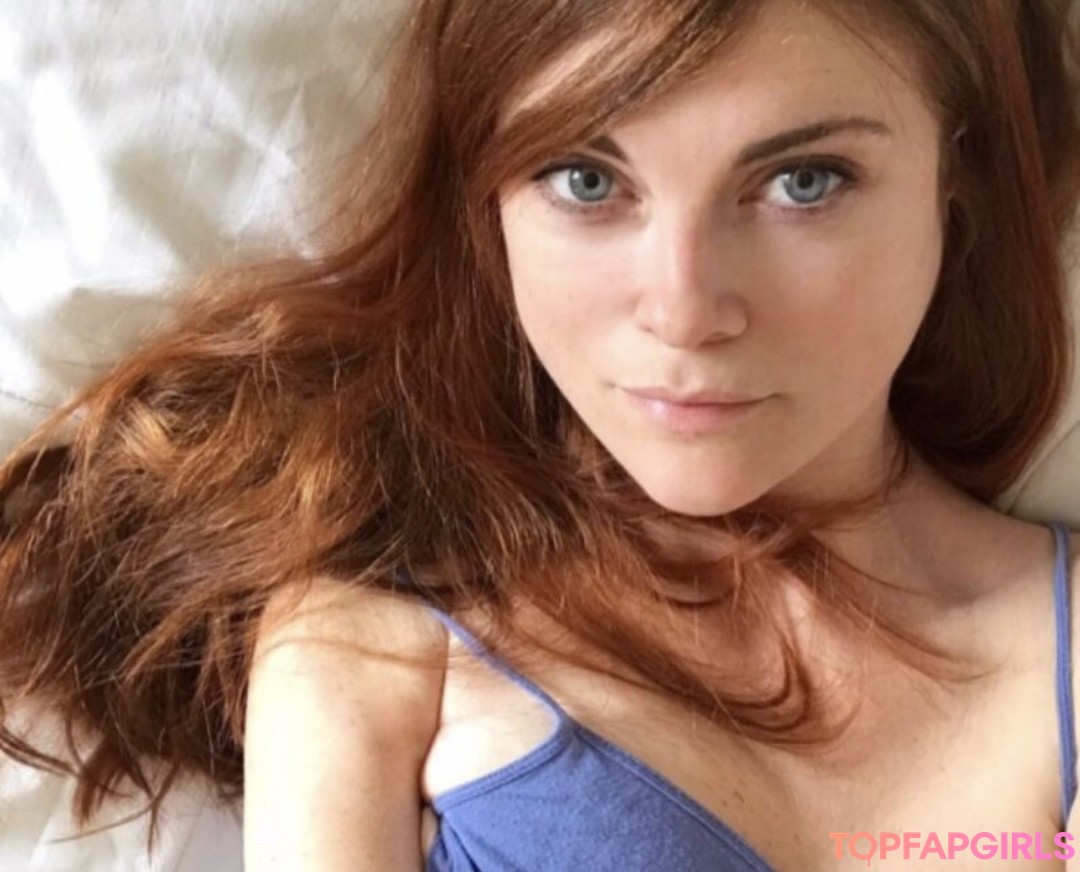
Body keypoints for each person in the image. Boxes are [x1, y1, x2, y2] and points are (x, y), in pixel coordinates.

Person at [1, 0, 1079, 868]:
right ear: (493, 209)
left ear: (957, 184)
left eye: (804, 182)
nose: (684, 309)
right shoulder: (379, 642)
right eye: (587, 180)